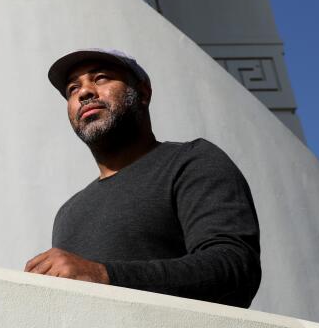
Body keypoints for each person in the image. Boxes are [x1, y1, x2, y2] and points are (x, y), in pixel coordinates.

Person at [24, 49, 260, 307]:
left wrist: (105, 275)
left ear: (143, 93)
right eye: (72, 89)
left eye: (101, 78)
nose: (84, 92)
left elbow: (235, 268)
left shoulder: (190, 161)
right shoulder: (68, 213)